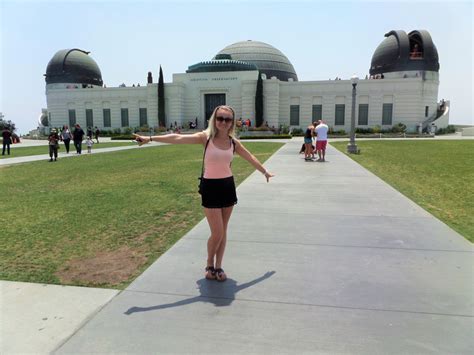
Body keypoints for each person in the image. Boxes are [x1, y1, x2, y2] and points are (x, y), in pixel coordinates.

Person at [133, 105, 274, 282]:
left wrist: (264, 171)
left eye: (227, 119)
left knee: (224, 231)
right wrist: (150, 138)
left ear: (232, 123)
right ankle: (209, 264)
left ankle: (219, 266)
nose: (223, 122)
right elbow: (177, 137)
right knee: (217, 232)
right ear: (214, 119)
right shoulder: (205, 138)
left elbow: (250, 156)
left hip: (228, 187)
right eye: (220, 118)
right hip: (210, 187)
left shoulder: (233, 143)